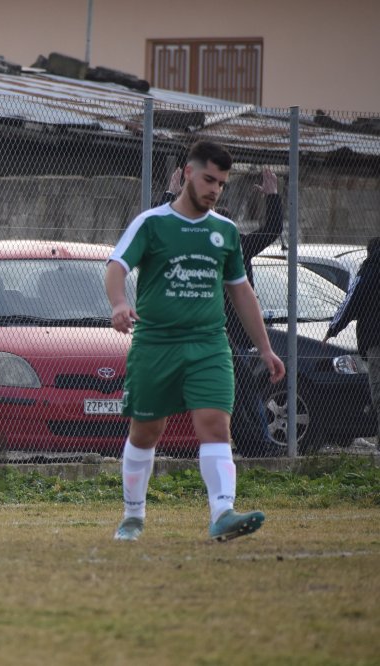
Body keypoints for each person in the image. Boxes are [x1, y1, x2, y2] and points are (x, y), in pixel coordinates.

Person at [106, 140, 286, 542]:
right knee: (146, 432)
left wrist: (265, 347)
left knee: (215, 426)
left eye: (221, 184)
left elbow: (241, 292)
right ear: (188, 173)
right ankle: (133, 515)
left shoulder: (224, 232)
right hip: (156, 344)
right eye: (209, 179)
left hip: (209, 345)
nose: (214, 190)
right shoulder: (152, 223)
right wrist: (119, 303)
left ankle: (222, 512)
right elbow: (116, 265)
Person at [161, 166, 285, 449]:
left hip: (232, 335)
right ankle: (252, 444)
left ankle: (255, 443)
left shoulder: (237, 246)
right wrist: (272, 196)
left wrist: (171, 194)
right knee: (239, 390)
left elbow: (270, 231)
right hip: (211, 334)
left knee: (243, 389)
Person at [324, 237, 380, 443]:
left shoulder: (371, 269)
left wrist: (333, 329)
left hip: (376, 340)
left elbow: (352, 300)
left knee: (378, 392)